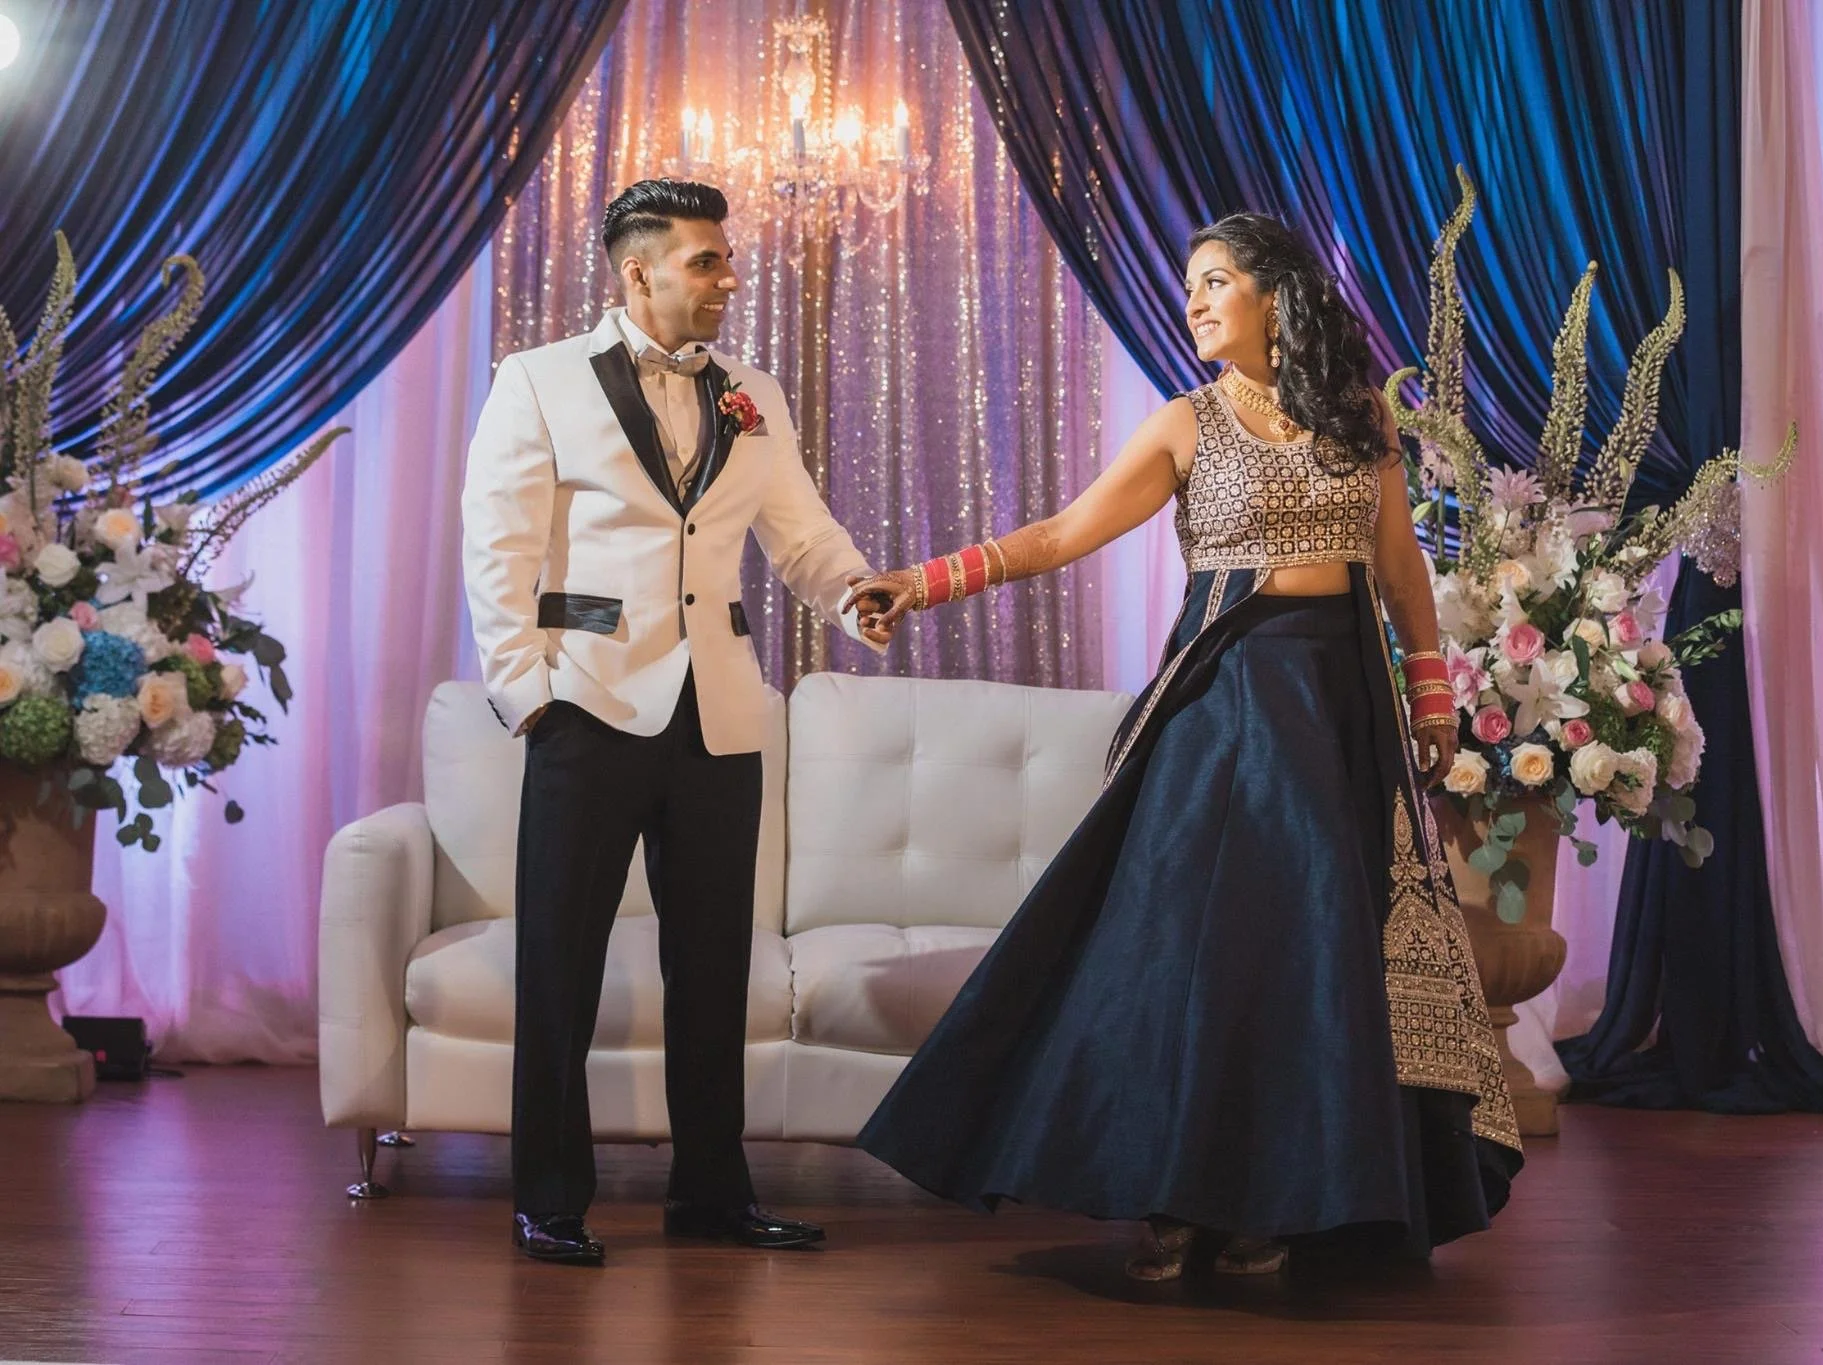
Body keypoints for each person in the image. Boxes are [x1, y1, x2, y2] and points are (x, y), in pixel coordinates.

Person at [849, 212, 1521, 1280]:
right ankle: (1177, 1198)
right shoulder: (1185, 424)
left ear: (1275, 297)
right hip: (1226, 707)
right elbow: (1060, 537)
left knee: (1316, 960)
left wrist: (1431, 708)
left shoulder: (1358, 423)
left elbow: (1400, 578)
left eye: (1214, 282)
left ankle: (1278, 1199)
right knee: (1213, 956)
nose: (1194, 302)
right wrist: (919, 582)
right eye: (1190, 286)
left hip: (1340, 706)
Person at [461, 178, 893, 1267]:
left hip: (719, 716)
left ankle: (712, 1194)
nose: (729, 278)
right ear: (637, 269)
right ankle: (550, 1198)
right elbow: (497, 548)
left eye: (725, 259)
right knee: (559, 963)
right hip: (587, 710)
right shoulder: (537, 380)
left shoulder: (754, 393)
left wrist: (856, 595)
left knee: (712, 968)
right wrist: (530, 697)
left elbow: (801, 533)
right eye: (706, 260)